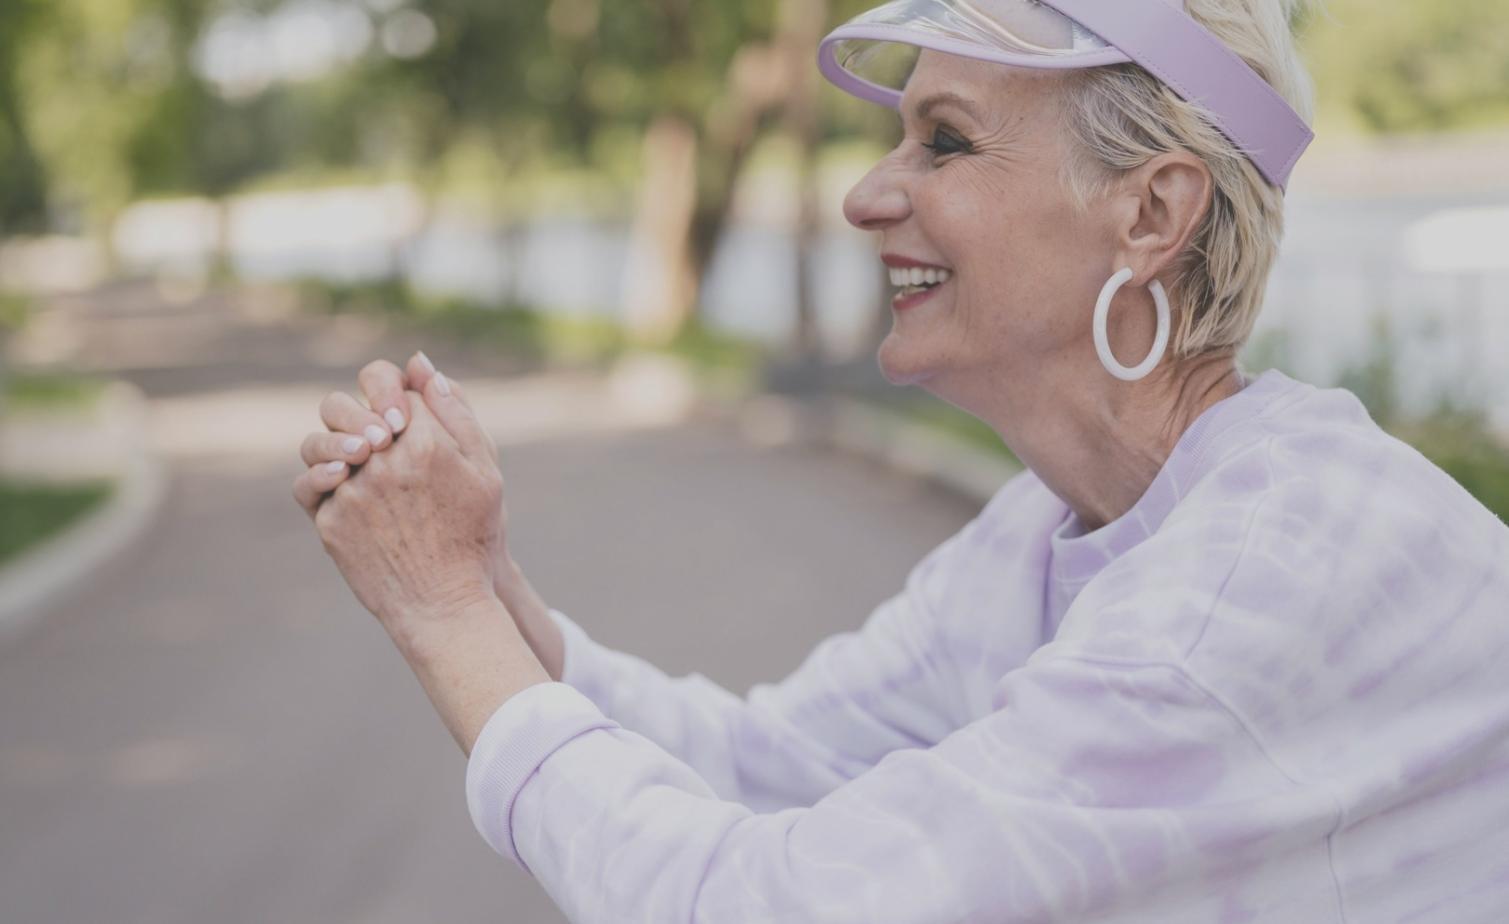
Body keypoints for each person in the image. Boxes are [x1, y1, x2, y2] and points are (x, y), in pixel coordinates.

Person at [291, 0, 1509, 920]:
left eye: (946, 143)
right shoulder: (1047, 534)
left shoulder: (1265, 571)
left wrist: (442, 612)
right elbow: (765, 767)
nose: (868, 195)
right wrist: (491, 582)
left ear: (1151, 213)